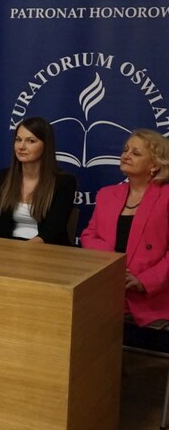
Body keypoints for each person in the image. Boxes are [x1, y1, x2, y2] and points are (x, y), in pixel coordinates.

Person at [81, 129, 169, 326]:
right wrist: (114, 264)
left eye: (136, 153)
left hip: (152, 296)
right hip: (106, 288)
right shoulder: (106, 194)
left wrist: (144, 281)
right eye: (125, 150)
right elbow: (89, 235)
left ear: (155, 165)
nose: (126, 155)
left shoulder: (166, 197)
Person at [0, 116, 77, 245]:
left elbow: (52, 232)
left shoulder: (64, 182)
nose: (21, 146)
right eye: (18, 140)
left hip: (47, 250)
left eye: (30, 141)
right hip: (7, 248)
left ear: (46, 145)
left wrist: (22, 250)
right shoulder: (4, 177)